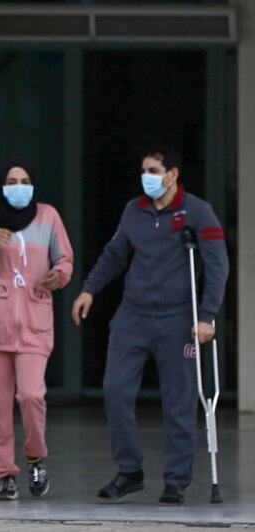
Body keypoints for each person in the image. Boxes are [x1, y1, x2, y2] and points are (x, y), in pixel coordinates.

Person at [72, 147, 229, 505]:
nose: (147, 177)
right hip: (133, 315)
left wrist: (207, 316)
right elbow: (114, 255)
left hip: (178, 318)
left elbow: (217, 267)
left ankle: (176, 480)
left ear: (172, 174)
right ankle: (129, 471)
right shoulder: (134, 210)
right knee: (115, 390)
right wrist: (89, 290)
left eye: (154, 170)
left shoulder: (199, 212)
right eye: (144, 170)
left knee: (179, 400)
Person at [0, 161, 73, 501]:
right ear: (1, 185)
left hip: (34, 322)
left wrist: (60, 275)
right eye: (11, 181)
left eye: (24, 180)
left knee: (31, 395)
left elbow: (65, 258)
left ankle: (36, 457)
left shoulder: (48, 216)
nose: (18, 186)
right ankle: (6, 475)